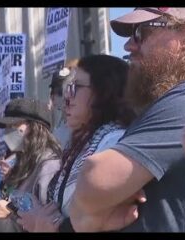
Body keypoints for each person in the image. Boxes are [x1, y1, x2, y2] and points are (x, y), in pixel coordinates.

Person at [69, 8, 185, 232]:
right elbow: (83, 207)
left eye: (141, 33)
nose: (128, 45)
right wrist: (84, 215)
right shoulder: (180, 101)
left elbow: (94, 179)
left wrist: (86, 212)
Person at [17, 54, 138, 232]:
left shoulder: (115, 143)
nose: (67, 96)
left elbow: (98, 217)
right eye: (67, 88)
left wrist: (44, 224)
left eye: (76, 87)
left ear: (105, 90)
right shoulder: (82, 143)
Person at [0, 98, 62, 232]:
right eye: (6, 127)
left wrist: (11, 212)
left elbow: (48, 223)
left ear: (35, 127)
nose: (7, 132)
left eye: (13, 126)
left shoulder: (50, 166)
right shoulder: (20, 162)